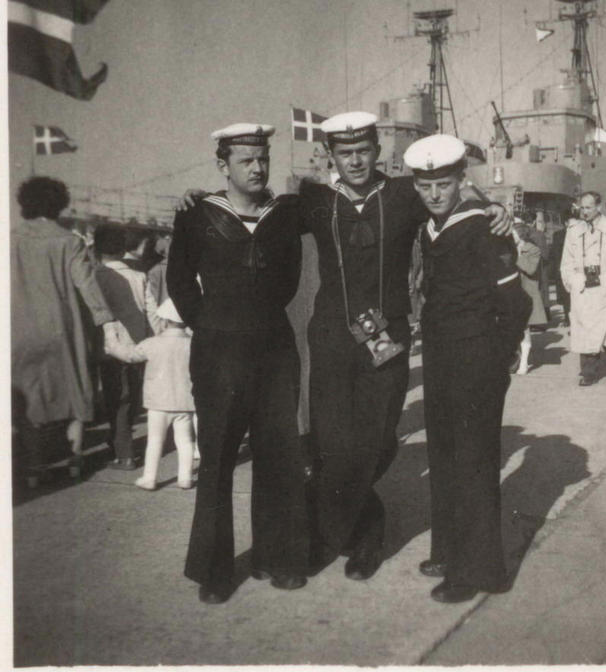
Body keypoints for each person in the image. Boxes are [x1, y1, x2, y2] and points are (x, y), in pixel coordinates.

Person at [179, 111, 511, 582]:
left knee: (376, 444)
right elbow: (253, 212)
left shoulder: (403, 194)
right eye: (345, 153)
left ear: (377, 152)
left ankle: (342, 531)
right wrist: (198, 199)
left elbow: (450, 193)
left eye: (363, 151)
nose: (355, 161)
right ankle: (362, 536)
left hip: (388, 339)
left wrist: (490, 203)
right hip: (332, 340)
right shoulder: (313, 200)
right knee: (332, 446)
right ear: (330, 155)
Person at [168, 123, 309, 603]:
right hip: (218, 354)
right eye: (246, 159)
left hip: (274, 350)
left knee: (279, 456)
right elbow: (179, 280)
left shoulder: (284, 214)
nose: (257, 167)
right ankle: (214, 570)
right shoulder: (197, 214)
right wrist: (209, 324)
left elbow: (289, 278)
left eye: (262, 158)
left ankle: (279, 557)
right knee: (218, 461)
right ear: (222, 165)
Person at [403, 134, 530, 603]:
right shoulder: (428, 228)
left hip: (476, 360)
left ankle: (479, 571)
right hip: (440, 358)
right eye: (425, 186)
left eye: (443, 184)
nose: (434, 194)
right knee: (445, 456)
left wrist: (499, 357)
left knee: (473, 464)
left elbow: (515, 302)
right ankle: (448, 551)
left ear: (461, 181)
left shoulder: (482, 227)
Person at [11, 177, 119, 487]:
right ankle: (75, 460)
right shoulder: (70, 242)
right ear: (59, 203)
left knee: (29, 397)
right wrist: (106, 321)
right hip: (62, 330)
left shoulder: (10, 240)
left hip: (19, 331)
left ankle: (35, 467)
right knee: (75, 391)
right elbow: (87, 286)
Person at [104, 297, 196, 491]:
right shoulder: (192, 344)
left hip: (158, 403)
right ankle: (185, 477)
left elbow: (130, 355)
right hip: (185, 402)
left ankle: (150, 478)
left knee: (155, 441)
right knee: (185, 441)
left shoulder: (152, 343)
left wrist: (113, 348)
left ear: (164, 321)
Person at [95, 224, 162, 470]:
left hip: (109, 345)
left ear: (96, 249)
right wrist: (156, 339)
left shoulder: (97, 276)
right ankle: (117, 440)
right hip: (138, 342)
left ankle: (124, 454)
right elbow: (152, 312)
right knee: (131, 396)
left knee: (116, 398)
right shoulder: (139, 276)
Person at [561, 191, 606, 386]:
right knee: (584, 330)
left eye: (588, 207)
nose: (584, 212)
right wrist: (572, 281)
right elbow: (566, 261)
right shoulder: (573, 230)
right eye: (582, 208)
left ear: (599, 207)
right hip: (583, 286)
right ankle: (588, 372)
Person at [512, 220, 547, 374]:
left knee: (524, 328)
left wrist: (515, 256)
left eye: (512, 234)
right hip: (509, 295)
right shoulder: (507, 249)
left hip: (525, 294)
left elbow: (531, 269)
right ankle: (514, 360)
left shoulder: (533, 250)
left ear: (520, 235)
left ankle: (524, 362)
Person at [550, 206, 576, 326]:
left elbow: (554, 254)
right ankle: (569, 319)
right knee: (567, 295)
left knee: (567, 295)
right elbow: (555, 254)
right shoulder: (559, 235)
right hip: (566, 269)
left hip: (564, 269)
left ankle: (568, 319)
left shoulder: (557, 235)